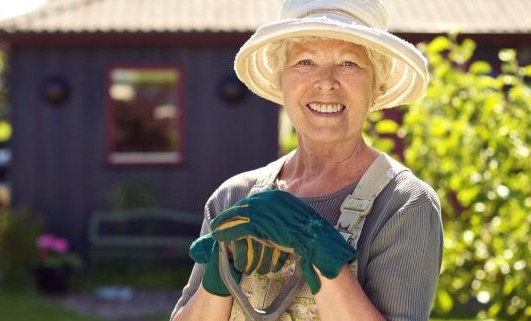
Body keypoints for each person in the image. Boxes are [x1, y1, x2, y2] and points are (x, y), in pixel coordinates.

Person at [171, 0, 443, 320]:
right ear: (280, 80)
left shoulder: (404, 204)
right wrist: (216, 283)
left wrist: (317, 246)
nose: (326, 81)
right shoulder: (233, 198)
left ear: (376, 86)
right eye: (305, 61)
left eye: (348, 64)